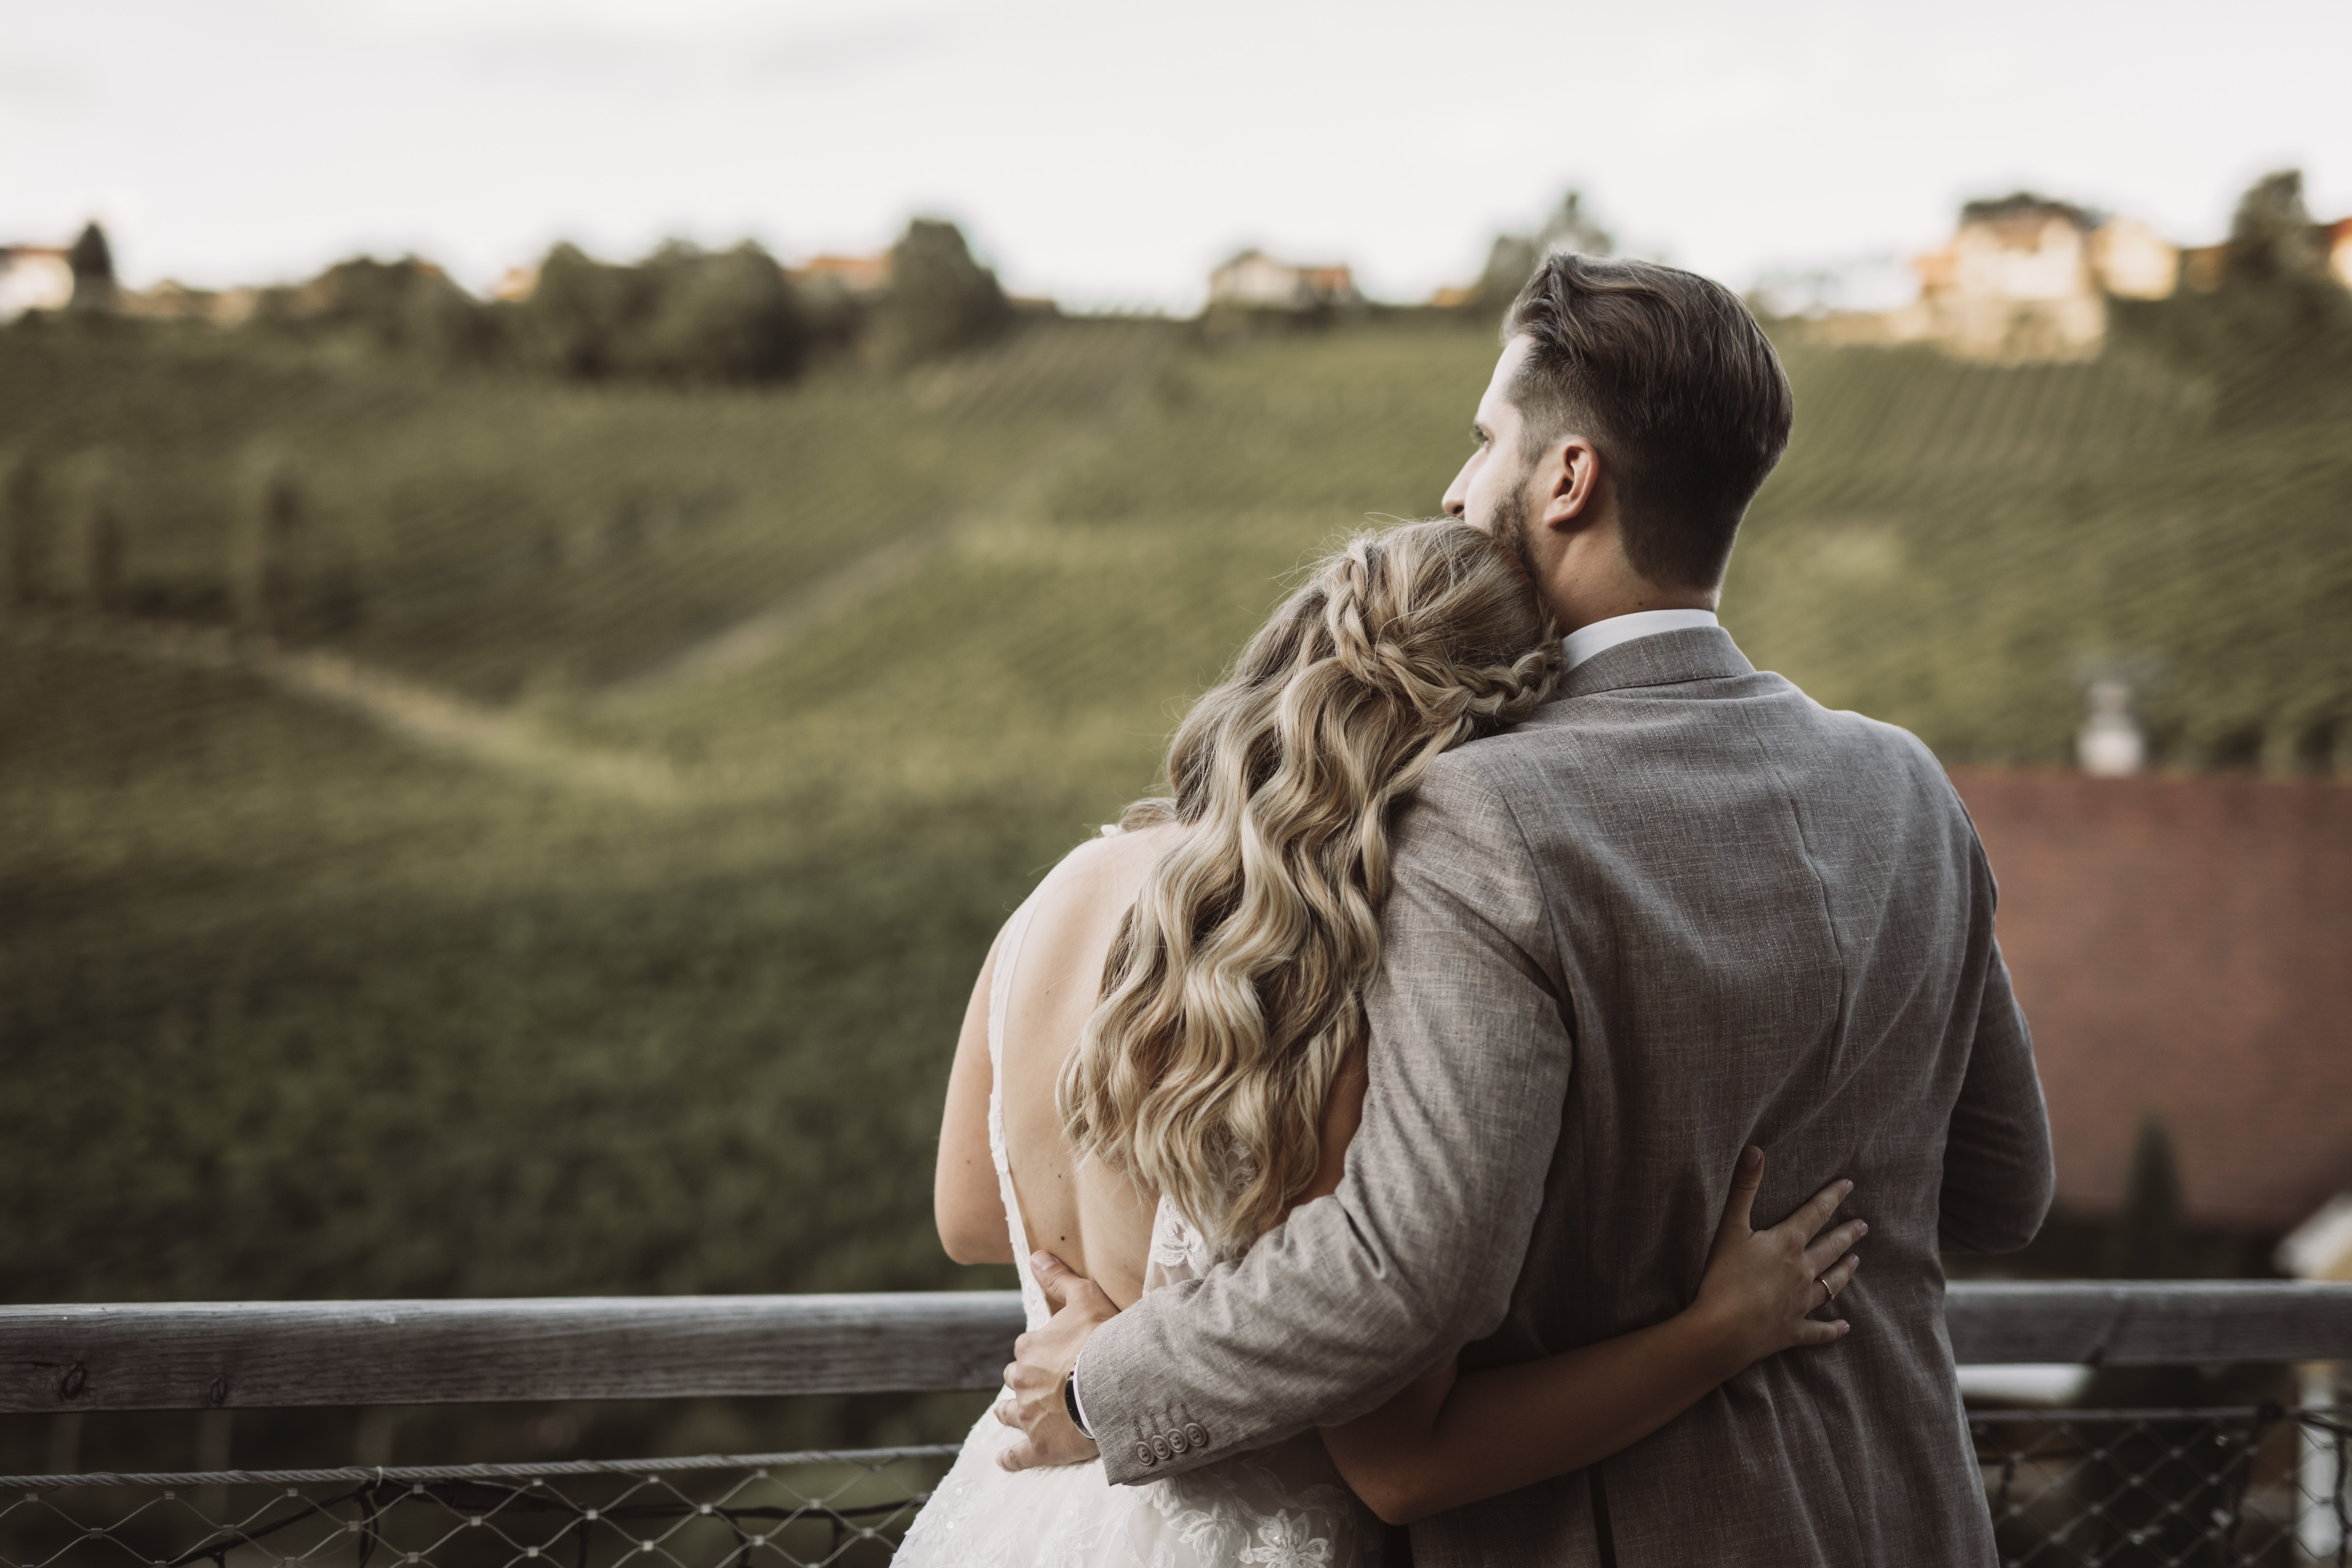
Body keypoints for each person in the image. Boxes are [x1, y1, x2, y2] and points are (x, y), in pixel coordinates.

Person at [998, 254, 2057, 1567]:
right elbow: (2007, 1189)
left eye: (1487, 437)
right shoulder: (1906, 781)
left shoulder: (1476, 819)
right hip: (1913, 1516)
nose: (1457, 487)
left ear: (1570, 479)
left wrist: (1105, 1384)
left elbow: (1404, 1268)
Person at [895, 519, 1873, 1566]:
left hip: (1029, 1515)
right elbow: (1402, 1465)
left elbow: (966, 1216)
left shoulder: (1064, 893)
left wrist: (1113, 1324)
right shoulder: (1321, 987)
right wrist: (1712, 1334)